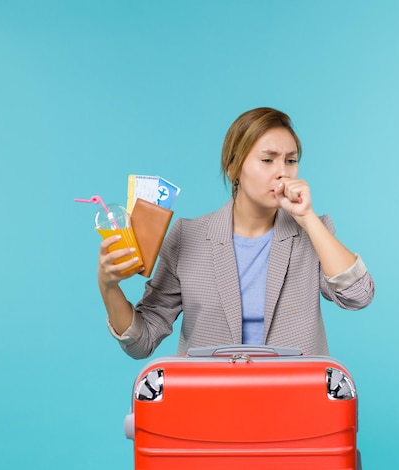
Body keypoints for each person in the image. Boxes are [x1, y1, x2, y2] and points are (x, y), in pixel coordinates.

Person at [97, 107, 375, 359]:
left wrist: (308, 219)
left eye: (291, 161)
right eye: (268, 160)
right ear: (233, 170)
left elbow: (358, 295)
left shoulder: (313, 232)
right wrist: (108, 287)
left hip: (295, 403)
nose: (283, 172)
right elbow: (142, 341)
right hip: (212, 403)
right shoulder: (187, 237)